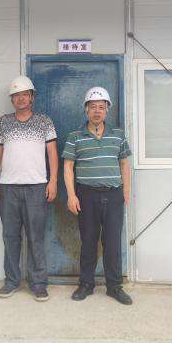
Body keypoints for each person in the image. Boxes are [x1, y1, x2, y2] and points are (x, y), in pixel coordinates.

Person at [62, 87, 133, 305]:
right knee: (88, 241)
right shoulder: (75, 137)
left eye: (101, 107)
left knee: (112, 242)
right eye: (93, 107)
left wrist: (126, 191)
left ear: (107, 110)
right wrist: (71, 195)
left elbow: (124, 164)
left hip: (113, 195)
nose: (97, 111)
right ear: (86, 110)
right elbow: (68, 167)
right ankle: (86, 284)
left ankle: (114, 286)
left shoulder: (118, 135)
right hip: (86, 195)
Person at [0, 75, 58, 302]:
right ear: (12, 99)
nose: (20, 99)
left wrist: (53, 181)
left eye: (25, 95)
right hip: (8, 187)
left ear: (32, 97)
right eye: (16, 95)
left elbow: (52, 152)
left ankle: (38, 283)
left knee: (36, 237)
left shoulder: (44, 121)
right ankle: (11, 281)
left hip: (37, 187)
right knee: (10, 236)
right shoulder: (4, 122)